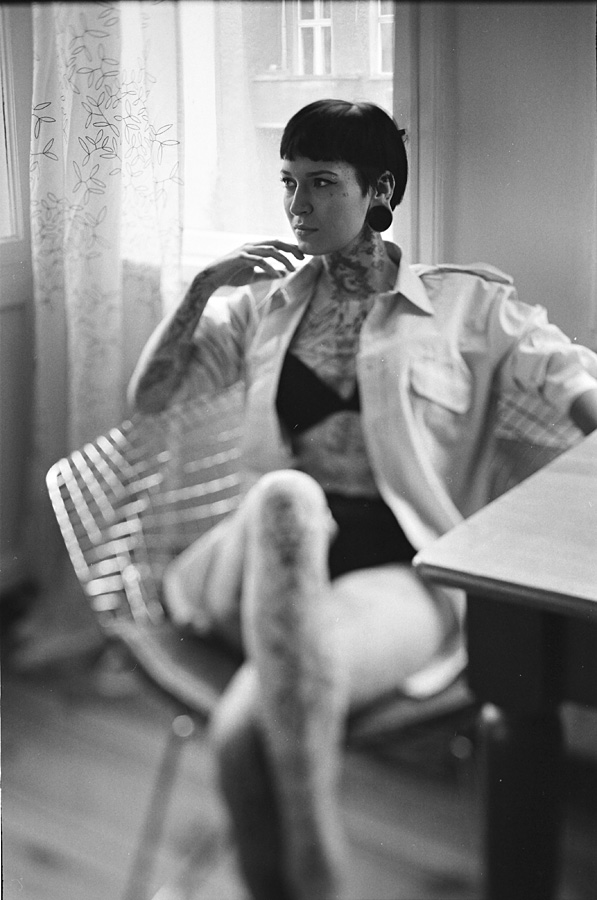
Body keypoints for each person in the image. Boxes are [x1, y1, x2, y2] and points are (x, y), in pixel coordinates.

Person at [128, 99, 597, 900]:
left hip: (397, 573)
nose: (296, 205)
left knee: (244, 738)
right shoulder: (262, 307)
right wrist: (204, 286)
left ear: (379, 189)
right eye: (287, 182)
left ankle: (298, 874)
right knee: (285, 499)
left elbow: (569, 379)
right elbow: (151, 396)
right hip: (258, 556)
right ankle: (319, 870)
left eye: (320, 183)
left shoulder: (465, 306)